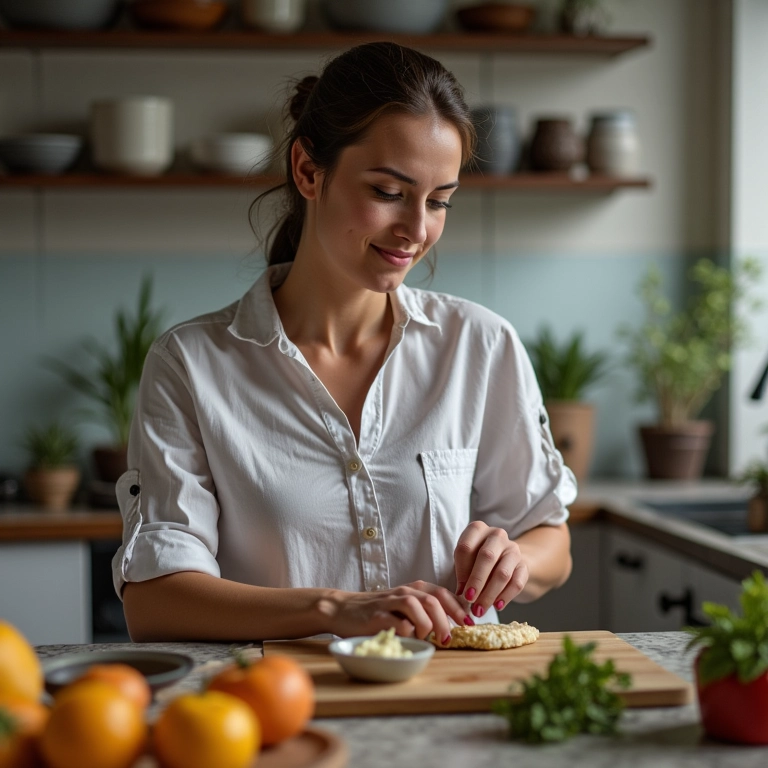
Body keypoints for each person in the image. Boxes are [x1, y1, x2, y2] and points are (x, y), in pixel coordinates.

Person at [114, 42, 577, 645]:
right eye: (389, 192)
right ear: (309, 171)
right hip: (283, 711)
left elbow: (552, 540)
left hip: (456, 706)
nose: (417, 230)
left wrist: (517, 559)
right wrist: (335, 609)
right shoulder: (191, 365)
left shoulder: (481, 345)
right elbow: (155, 600)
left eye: (439, 202)